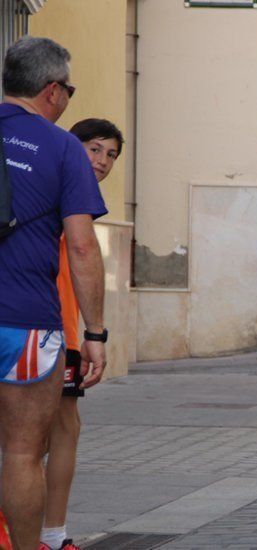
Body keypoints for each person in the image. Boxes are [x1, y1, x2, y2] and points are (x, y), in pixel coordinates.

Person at [0, 37, 108, 550]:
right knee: (22, 452)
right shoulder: (63, 147)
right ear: (51, 91)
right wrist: (95, 332)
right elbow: (83, 247)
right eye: (68, 88)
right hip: (26, 323)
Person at [38, 119, 122, 550]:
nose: (102, 161)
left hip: (59, 327)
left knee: (63, 428)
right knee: (38, 437)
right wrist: (96, 333)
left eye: (110, 154)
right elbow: (82, 253)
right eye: (93, 149)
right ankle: (47, 536)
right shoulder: (63, 189)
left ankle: (51, 534)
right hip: (51, 326)